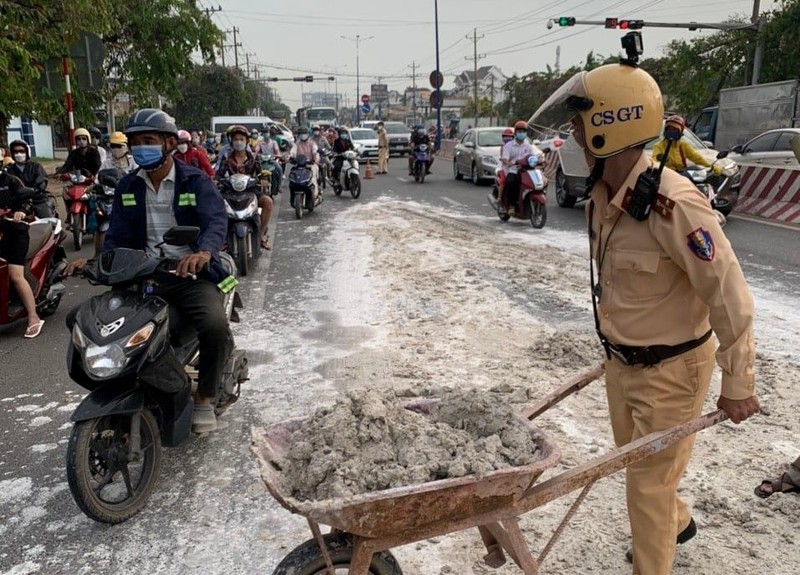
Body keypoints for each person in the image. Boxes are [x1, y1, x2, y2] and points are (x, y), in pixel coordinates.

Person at [530, 60, 760, 575]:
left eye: (579, 121)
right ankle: (677, 523)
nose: (572, 133)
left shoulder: (672, 202)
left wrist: (739, 380)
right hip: (622, 365)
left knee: (647, 487)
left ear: (611, 123)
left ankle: (655, 556)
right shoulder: (599, 195)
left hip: (673, 372)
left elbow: (729, 293)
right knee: (637, 462)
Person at [64, 108, 233, 433]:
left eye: (149, 141)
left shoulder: (194, 180)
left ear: (169, 143)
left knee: (213, 326)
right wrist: (96, 264)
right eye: (136, 142)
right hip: (141, 276)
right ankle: (125, 387)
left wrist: (203, 252)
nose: (141, 147)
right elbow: (116, 238)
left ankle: (204, 398)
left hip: (188, 276)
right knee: (83, 322)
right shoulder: (128, 186)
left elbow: (215, 220)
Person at [0, 170, 44, 338]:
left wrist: (21, 211)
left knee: (15, 274)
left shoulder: (11, 181)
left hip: (15, 231)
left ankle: (33, 317)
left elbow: (27, 201)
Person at [216, 125, 273, 250]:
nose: (238, 142)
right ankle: (223, 238)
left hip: (251, 190)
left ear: (246, 141)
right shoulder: (227, 159)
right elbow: (219, 174)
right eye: (236, 139)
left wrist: (263, 179)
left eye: (241, 139)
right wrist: (215, 181)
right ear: (232, 141)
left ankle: (261, 235)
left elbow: (260, 173)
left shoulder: (253, 157)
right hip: (230, 191)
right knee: (216, 206)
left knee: (268, 202)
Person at [652, 115, 716, 174]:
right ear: (665, 130)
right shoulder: (659, 146)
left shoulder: (683, 145)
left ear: (680, 132)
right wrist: (660, 158)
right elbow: (654, 159)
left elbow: (697, 157)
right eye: (669, 129)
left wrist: (712, 167)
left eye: (675, 129)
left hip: (682, 176)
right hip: (666, 175)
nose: (671, 131)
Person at [500, 121, 539, 215]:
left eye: (524, 131)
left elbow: (533, 157)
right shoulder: (508, 146)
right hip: (513, 169)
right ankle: (511, 205)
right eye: (519, 131)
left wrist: (540, 161)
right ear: (515, 132)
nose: (522, 133)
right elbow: (505, 159)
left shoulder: (528, 146)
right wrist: (508, 163)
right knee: (511, 182)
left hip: (526, 170)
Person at [6, 140, 51, 218]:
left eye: (21, 151)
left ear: (27, 152)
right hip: (17, 203)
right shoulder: (9, 170)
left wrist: (37, 188)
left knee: (49, 223)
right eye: (15, 152)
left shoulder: (36, 167)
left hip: (37, 201)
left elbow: (41, 182)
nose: (18, 154)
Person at [289, 126, 320, 200]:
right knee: (292, 175)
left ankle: (315, 194)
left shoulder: (312, 143)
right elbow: (292, 151)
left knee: (313, 176)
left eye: (304, 133)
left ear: (308, 134)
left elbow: (315, 151)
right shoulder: (297, 144)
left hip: (310, 165)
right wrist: (289, 157)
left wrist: (315, 158)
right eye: (301, 134)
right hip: (299, 165)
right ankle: (292, 196)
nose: (303, 135)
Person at [493, 128, 515, 204]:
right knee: (504, 180)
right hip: (505, 168)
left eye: (509, 137)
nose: (507, 139)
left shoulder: (516, 146)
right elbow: (504, 158)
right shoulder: (503, 147)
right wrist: (508, 161)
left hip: (515, 168)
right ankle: (499, 198)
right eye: (506, 137)